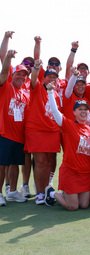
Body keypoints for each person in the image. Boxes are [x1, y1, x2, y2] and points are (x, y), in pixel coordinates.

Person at [44, 83, 90, 210]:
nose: (83, 112)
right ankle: (51, 192)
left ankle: (69, 194)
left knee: (84, 205)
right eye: (80, 109)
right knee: (73, 206)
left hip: (85, 174)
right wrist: (50, 93)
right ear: (74, 112)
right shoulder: (68, 125)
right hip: (71, 172)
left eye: (85, 109)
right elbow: (55, 111)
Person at [25, 59, 62, 205]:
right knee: (40, 162)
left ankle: (46, 191)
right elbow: (33, 78)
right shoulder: (38, 87)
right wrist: (36, 67)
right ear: (44, 78)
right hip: (36, 130)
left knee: (47, 162)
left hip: (52, 131)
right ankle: (39, 193)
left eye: (55, 77)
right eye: (49, 76)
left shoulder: (56, 96)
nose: (52, 79)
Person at [0, 50, 30, 205]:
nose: (21, 77)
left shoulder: (25, 95)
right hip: (4, 133)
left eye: (24, 75)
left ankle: (12, 192)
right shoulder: (5, 87)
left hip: (18, 136)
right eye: (18, 74)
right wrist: (7, 57)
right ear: (13, 75)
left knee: (15, 164)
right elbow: (4, 71)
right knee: (2, 164)